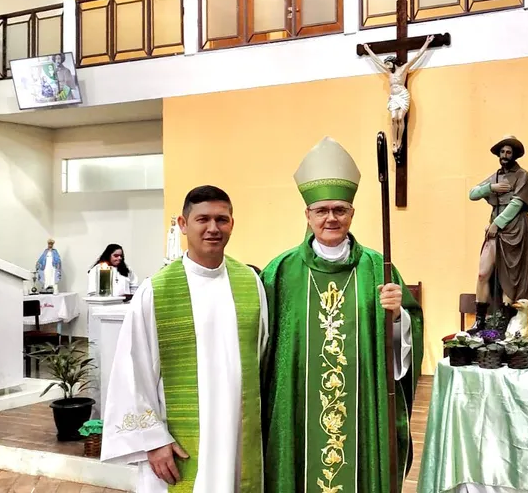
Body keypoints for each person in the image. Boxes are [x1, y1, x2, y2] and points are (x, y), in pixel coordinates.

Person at [260, 137, 424, 493]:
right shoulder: (280, 272)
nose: (331, 218)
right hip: (298, 409)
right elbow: (263, 351)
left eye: (340, 209)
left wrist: (398, 318)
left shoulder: (378, 269)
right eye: (321, 210)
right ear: (308, 215)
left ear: (352, 213)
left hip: (363, 410)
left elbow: (400, 354)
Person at [100, 186, 268, 492]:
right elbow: (132, 370)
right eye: (203, 219)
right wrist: (152, 440)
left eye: (222, 219)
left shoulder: (250, 283)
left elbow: (264, 358)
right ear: (183, 223)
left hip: (238, 434)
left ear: (232, 223)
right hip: (177, 442)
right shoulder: (158, 290)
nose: (213, 228)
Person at [468, 135, 528, 332]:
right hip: (494, 230)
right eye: (502, 152)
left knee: (511, 276)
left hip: (515, 229)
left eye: (509, 152)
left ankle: (505, 322)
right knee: (483, 273)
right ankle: (480, 320)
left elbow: (517, 203)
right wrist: (491, 188)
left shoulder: (522, 175)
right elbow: (472, 193)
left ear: (514, 155)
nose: (505, 155)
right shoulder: (497, 177)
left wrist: (497, 223)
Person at [361, 35, 435, 155]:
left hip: (402, 95)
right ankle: (394, 141)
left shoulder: (403, 69)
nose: (387, 66)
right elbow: (377, 61)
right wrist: (368, 50)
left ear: (393, 63)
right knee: (393, 118)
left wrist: (427, 43)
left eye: (389, 64)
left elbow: (416, 56)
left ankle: (399, 140)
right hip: (394, 97)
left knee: (400, 117)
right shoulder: (389, 73)